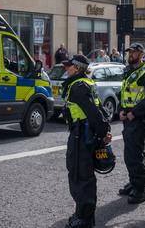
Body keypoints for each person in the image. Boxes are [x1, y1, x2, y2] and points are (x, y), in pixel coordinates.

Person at [60, 55, 111, 228]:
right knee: (80, 174)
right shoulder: (85, 83)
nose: (66, 69)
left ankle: (85, 218)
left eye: (68, 67)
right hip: (82, 134)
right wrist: (104, 131)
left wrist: (104, 132)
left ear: (77, 68)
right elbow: (99, 109)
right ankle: (82, 213)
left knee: (80, 175)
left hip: (82, 136)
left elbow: (93, 113)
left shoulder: (78, 87)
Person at [118, 43, 145, 204]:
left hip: (139, 117)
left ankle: (140, 190)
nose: (130, 55)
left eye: (134, 52)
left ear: (141, 54)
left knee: (133, 154)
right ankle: (133, 182)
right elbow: (124, 93)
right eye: (129, 52)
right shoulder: (129, 71)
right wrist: (121, 109)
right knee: (133, 151)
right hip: (128, 116)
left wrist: (132, 113)